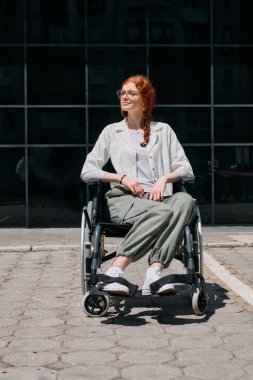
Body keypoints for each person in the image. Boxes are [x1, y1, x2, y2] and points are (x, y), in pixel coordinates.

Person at [81, 75, 195, 296]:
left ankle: (154, 273)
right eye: (122, 93)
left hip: (158, 199)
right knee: (163, 211)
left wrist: (163, 179)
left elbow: (186, 170)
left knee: (185, 201)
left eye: (131, 93)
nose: (125, 96)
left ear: (145, 100)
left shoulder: (163, 130)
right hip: (125, 200)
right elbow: (87, 171)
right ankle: (115, 271)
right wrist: (121, 178)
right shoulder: (112, 132)